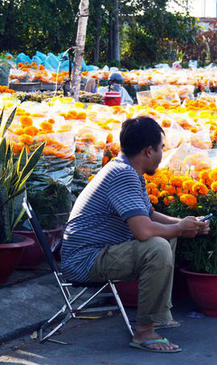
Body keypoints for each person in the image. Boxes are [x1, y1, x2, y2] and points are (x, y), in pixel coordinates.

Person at [61, 116, 209, 354]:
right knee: (157, 246)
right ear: (149, 151)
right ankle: (144, 332)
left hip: (95, 253)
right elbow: (143, 231)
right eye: (161, 148)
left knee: (166, 237)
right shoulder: (123, 174)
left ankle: (159, 315)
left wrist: (184, 223)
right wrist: (180, 228)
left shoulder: (128, 170)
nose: (162, 154)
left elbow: (148, 214)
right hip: (84, 260)